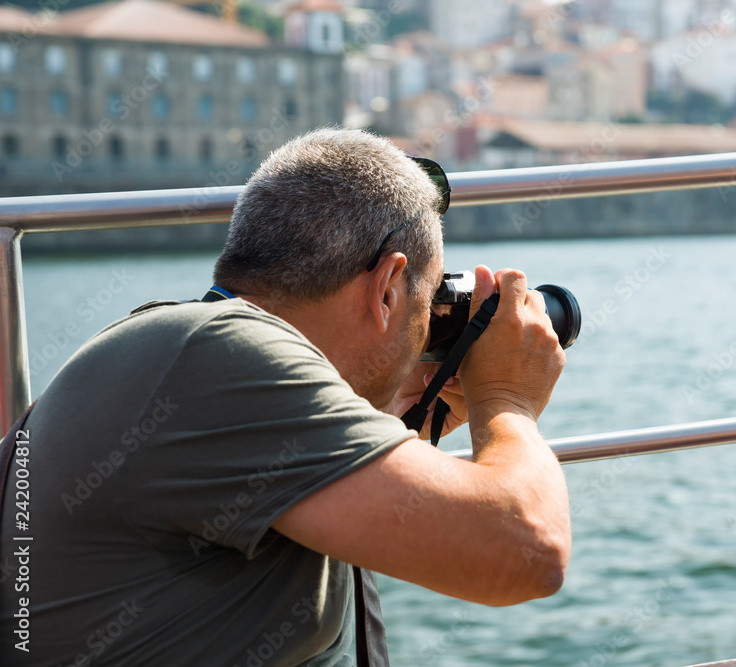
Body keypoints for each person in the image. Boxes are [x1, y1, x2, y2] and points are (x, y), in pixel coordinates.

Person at [0, 128, 572, 666]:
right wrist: (507, 399)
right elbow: (527, 553)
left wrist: (403, 429)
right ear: (388, 290)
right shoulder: (224, 357)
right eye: (428, 303)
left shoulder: (180, 348)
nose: (428, 333)